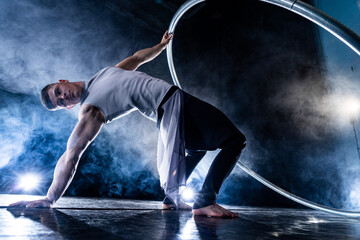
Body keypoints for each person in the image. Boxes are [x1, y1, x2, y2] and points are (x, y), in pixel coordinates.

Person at [9, 31, 246, 218]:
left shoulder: (102, 75)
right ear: (67, 108)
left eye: (58, 92)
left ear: (62, 81)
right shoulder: (90, 109)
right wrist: (50, 199)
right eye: (60, 102)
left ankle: (170, 201)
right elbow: (71, 154)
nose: (63, 97)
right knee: (235, 140)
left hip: (171, 107)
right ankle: (205, 202)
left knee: (196, 148)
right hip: (172, 104)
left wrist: (160, 47)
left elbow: (137, 58)